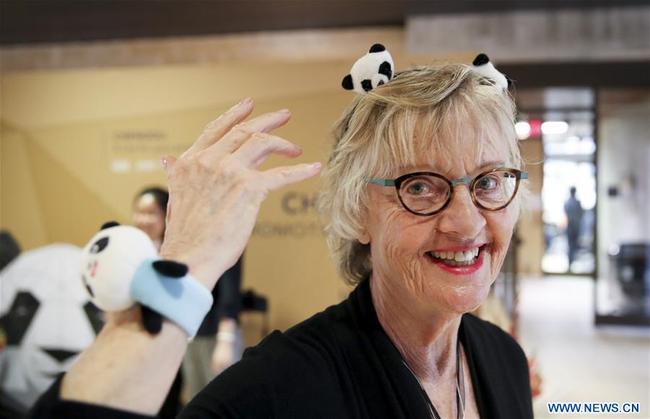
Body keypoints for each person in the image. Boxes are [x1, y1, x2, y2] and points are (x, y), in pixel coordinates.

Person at [32, 62, 533, 418]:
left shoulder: (502, 360)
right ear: (358, 210)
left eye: (489, 182)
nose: (466, 224)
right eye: (420, 186)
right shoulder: (280, 388)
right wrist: (183, 267)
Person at [132, 188, 243, 403]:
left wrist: (226, 339)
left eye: (152, 213)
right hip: (183, 335)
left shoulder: (220, 230)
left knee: (224, 399)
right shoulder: (146, 247)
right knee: (196, 399)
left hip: (212, 333)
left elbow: (230, 291)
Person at [564, 186, 583, 268]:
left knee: (571, 244)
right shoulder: (577, 202)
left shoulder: (567, 202)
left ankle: (571, 260)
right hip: (574, 226)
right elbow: (581, 213)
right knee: (573, 244)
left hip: (571, 226)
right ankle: (571, 260)